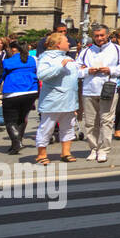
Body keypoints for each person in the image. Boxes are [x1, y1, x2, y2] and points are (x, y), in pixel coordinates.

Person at [76, 24, 120, 163]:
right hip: (89, 89)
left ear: (107, 35)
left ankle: (104, 149)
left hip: (108, 87)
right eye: (96, 36)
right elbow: (76, 69)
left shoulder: (117, 49)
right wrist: (87, 71)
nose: (99, 38)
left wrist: (111, 70)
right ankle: (93, 148)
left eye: (102, 35)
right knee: (90, 122)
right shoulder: (86, 51)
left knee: (106, 120)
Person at [35, 32, 86, 164]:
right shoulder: (46, 57)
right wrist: (60, 65)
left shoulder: (67, 58)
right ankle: (41, 154)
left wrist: (88, 71)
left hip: (69, 99)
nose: (69, 43)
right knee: (47, 127)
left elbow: (75, 74)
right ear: (58, 44)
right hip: (53, 99)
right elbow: (42, 75)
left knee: (69, 126)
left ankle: (66, 152)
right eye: (66, 41)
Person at [0, 40, 38, 155]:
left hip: (13, 92)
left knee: (10, 121)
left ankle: (16, 142)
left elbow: (0, 77)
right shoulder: (31, 59)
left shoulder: (7, 61)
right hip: (31, 91)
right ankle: (18, 142)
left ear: (13, 49)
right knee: (22, 118)